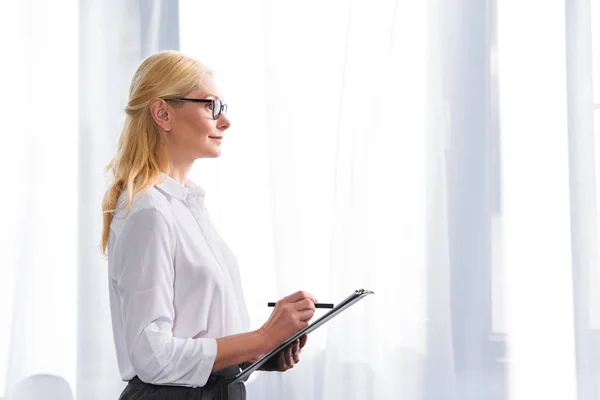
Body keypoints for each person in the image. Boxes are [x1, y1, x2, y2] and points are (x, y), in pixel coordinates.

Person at [101, 50, 317, 400]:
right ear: (162, 113)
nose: (225, 121)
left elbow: (195, 337)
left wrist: (259, 354)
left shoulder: (188, 207)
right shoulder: (148, 212)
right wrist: (261, 338)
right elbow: (152, 356)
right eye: (211, 106)